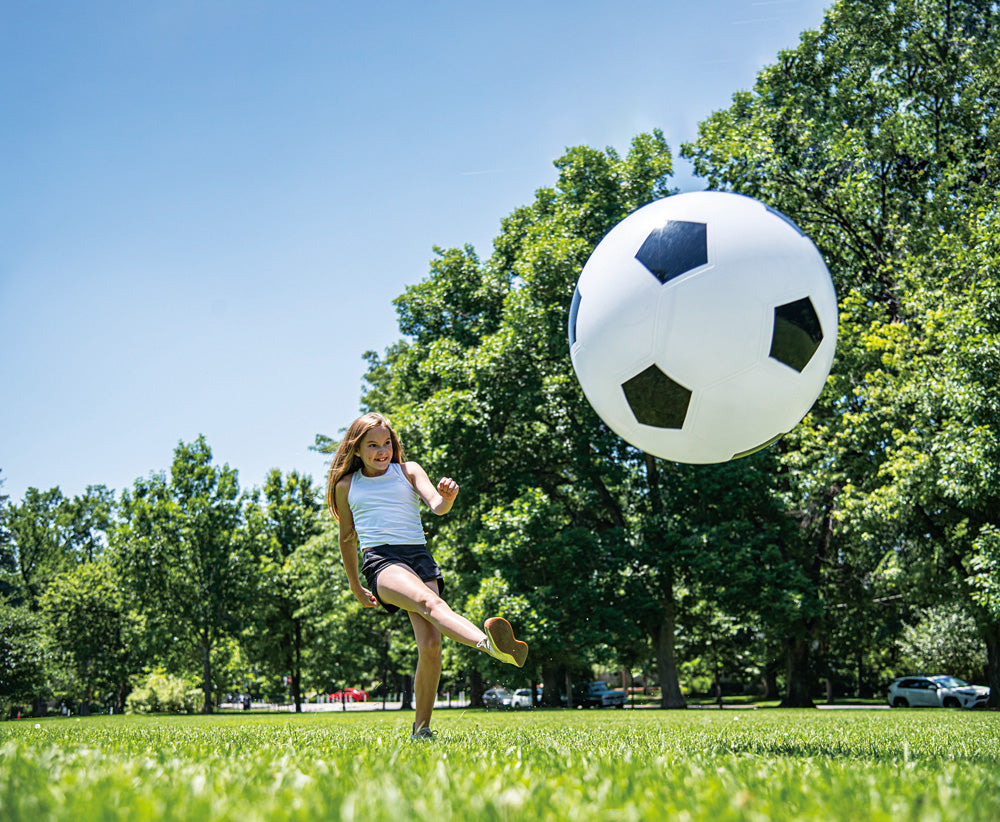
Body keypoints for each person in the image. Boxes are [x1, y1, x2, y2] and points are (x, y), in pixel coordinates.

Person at [326, 412, 528, 741]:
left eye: (387, 443)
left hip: (418, 556)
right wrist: (355, 585)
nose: (382, 451)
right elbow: (347, 538)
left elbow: (436, 506)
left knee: (432, 645)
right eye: (372, 445)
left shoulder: (409, 471)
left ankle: (421, 730)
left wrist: (447, 498)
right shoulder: (347, 485)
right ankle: (488, 645)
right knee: (428, 602)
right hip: (382, 560)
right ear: (357, 449)